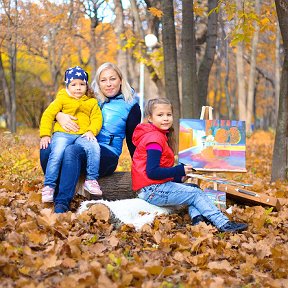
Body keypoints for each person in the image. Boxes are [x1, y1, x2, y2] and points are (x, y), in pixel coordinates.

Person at [131, 98, 248, 233]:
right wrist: (178, 170)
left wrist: (180, 177)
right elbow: (152, 172)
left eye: (169, 115)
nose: (165, 118)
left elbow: (157, 175)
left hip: (152, 187)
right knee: (195, 194)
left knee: (193, 187)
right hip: (151, 191)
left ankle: (198, 220)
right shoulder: (154, 139)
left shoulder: (157, 135)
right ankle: (223, 224)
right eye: (160, 115)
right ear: (150, 118)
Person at [40, 62, 141, 213]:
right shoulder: (89, 98)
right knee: (47, 147)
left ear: (120, 80)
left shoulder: (130, 105)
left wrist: (142, 169)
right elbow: (61, 107)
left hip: (106, 152)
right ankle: (54, 188)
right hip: (79, 141)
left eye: (112, 79)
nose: (108, 84)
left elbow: (134, 141)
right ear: (97, 83)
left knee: (72, 151)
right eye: (103, 80)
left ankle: (61, 204)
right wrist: (58, 116)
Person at [40, 66, 103, 203]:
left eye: (82, 84)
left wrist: (91, 131)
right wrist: (45, 134)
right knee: (56, 153)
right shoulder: (61, 99)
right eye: (74, 84)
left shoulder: (92, 102)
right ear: (68, 86)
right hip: (63, 134)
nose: (78, 87)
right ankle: (49, 186)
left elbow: (97, 118)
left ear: (86, 86)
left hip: (83, 135)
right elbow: (48, 114)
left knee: (94, 147)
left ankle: (91, 179)